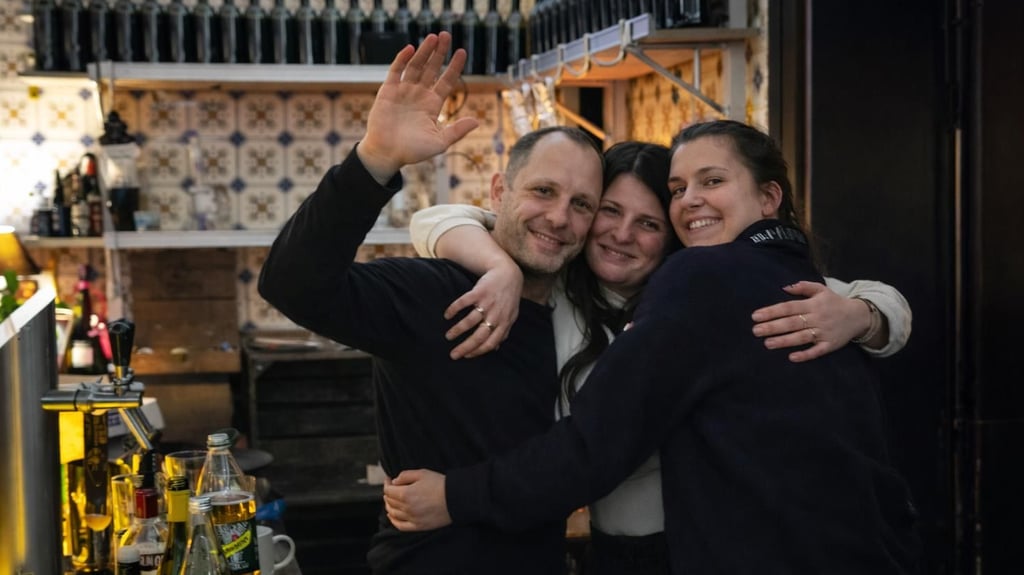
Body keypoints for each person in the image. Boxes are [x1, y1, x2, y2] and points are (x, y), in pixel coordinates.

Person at [382, 120, 922, 574]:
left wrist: (865, 314)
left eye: (648, 222)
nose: (621, 234)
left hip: (702, 548)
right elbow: (442, 219)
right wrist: (497, 265)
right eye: (609, 212)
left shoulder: (716, 284)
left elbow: (591, 448)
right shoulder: (557, 285)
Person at [258, 33, 606, 573]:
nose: (559, 217)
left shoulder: (582, 313)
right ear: (497, 194)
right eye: (543, 192)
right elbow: (291, 283)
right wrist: (373, 159)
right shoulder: (433, 293)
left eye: (581, 204)